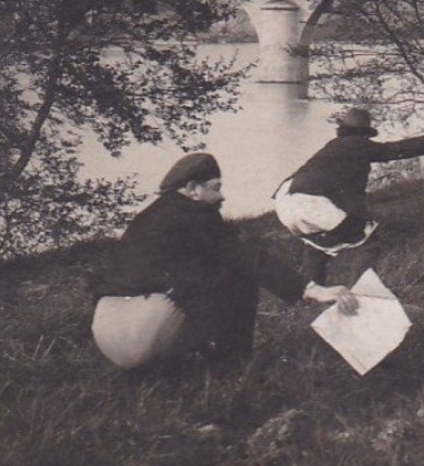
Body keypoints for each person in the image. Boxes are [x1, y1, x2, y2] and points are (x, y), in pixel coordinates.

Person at [91, 153, 358, 371]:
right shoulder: (197, 216)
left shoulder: (150, 216)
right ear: (192, 189)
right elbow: (248, 258)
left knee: (199, 281)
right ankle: (232, 366)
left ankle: (174, 365)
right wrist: (313, 290)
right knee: (239, 277)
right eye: (215, 188)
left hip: (106, 333)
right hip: (141, 337)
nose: (221, 196)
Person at [275, 106, 424, 283]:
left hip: (286, 201)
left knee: (317, 241)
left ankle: (310, 294)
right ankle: (362, 293)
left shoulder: (334, 147)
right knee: (369, 240)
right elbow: (390, 150)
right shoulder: (355, 144)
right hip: (310, 200)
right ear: (364, 134)